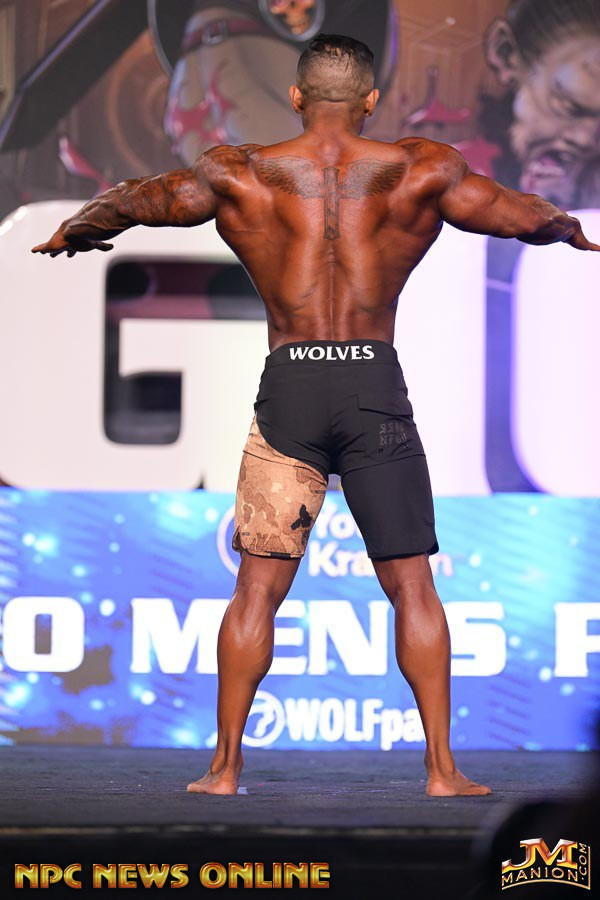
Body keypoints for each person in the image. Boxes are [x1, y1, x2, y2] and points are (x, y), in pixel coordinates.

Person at [32, 34, 599, 798]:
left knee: (256, 591)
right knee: (413, 588)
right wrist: (571, 229)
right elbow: (520, 215)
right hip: (373, 389)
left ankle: (224, 770)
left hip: (291, 390)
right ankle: (441, 772)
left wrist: (82, 225)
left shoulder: (241, 172)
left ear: (296, 97)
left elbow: (143, 200)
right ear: (371, 100)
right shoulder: (421, 170)